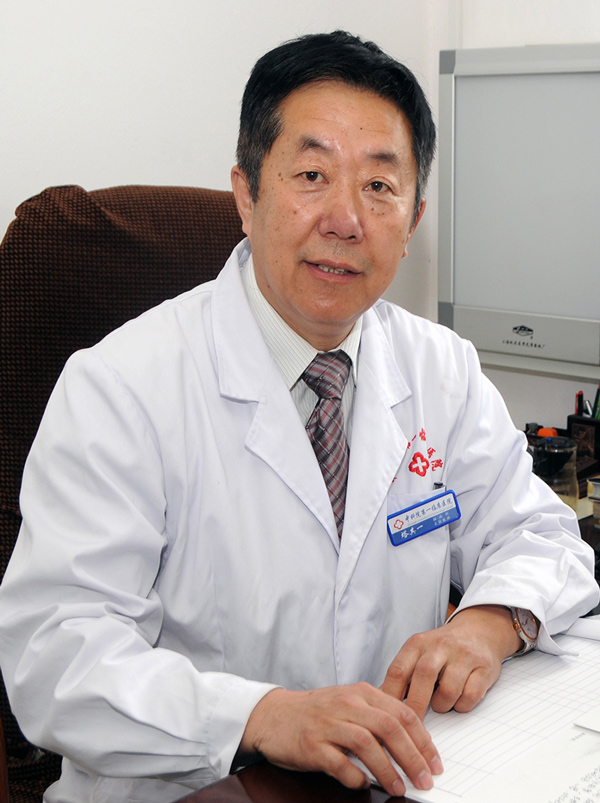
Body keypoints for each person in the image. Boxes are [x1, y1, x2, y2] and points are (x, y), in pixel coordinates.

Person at [0, 30, 597, 803]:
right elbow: (55, 657)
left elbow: (541, 533)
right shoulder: (120, 387)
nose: (346, 218)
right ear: (247, 194)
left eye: (379, 186)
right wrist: (260, 714)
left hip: (395, 780)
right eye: (312, 175)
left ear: (413, 219)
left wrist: (488, 619)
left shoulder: (441, 368)